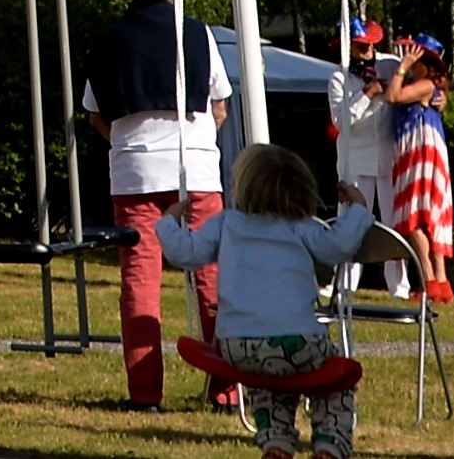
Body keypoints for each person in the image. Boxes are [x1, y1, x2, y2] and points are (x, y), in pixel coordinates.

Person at [82, 0, 234, 411]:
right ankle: (227, 388)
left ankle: (145, 393)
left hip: (135, 173)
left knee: (140, 282)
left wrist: (128, 141)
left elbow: (95, 114)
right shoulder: (198, 33)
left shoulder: (108, 41)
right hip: (197, 168)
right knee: (212, 278)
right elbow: (220, 106)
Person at [156, 143, 375, 459]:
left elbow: (185, 253)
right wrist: (358, 209)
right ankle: (330, 443)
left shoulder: (225, 223)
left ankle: (276, 442)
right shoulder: (301, 226)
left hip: (237, 348)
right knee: (335, 379)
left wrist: (169, 221)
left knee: (266, 381)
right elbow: (338, 246)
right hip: (299, 344)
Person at [325, 20, 397, 295]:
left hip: (389, 153)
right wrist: (367, 93)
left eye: (370, 44)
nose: (366, 50)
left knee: (393, 221)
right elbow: (341, 121)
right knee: (351, 221)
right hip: (354, 156)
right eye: (360, 45)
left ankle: (398, 285)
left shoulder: (390, 65)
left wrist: (440, 95)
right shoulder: (339, 77)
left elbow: (420, 82)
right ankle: (344, 282)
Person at [387, 34, 454, 301]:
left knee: (415, 216)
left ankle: (429, 279)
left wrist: (402, 67)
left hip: (420, 151)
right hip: (426, 149)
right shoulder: (431, 87)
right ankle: (441, 280)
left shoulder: (425, 85)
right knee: (430, 216)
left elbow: (393, 96)